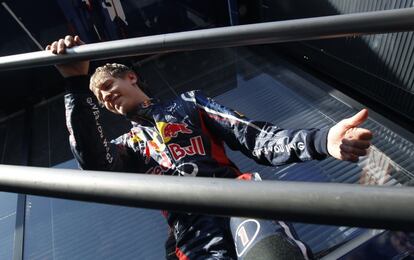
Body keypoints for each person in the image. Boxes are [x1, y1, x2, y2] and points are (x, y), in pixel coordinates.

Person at [46, 35, 373, 260]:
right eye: (100, 99)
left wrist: (321, 141)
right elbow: (94, 164)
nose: (106, 98)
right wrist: (76, 84)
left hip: (237, 201)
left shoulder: (188, 103)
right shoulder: (126, 147)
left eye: (107, 86)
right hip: (189, 234)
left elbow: (256, 138)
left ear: (131, 77)